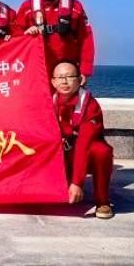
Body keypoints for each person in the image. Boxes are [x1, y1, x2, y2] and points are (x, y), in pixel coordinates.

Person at [51, 60, 114, 219]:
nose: (64, 81)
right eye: (60, 77)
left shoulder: (90, 105)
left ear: (80, 80)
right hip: (61, 154)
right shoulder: (49, 102)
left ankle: (103, 200)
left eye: (70, 77)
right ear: (53, 82)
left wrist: (77, 182)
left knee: (101, 151)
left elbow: (84, 143)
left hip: (84, 153)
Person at [16, 0, 95, 83]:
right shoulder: (27, 6)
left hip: (67, 72)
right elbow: (15, 36)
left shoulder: (75, 6)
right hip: (37, 70)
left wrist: (84, 71)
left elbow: (86, 38)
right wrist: (26, 33)